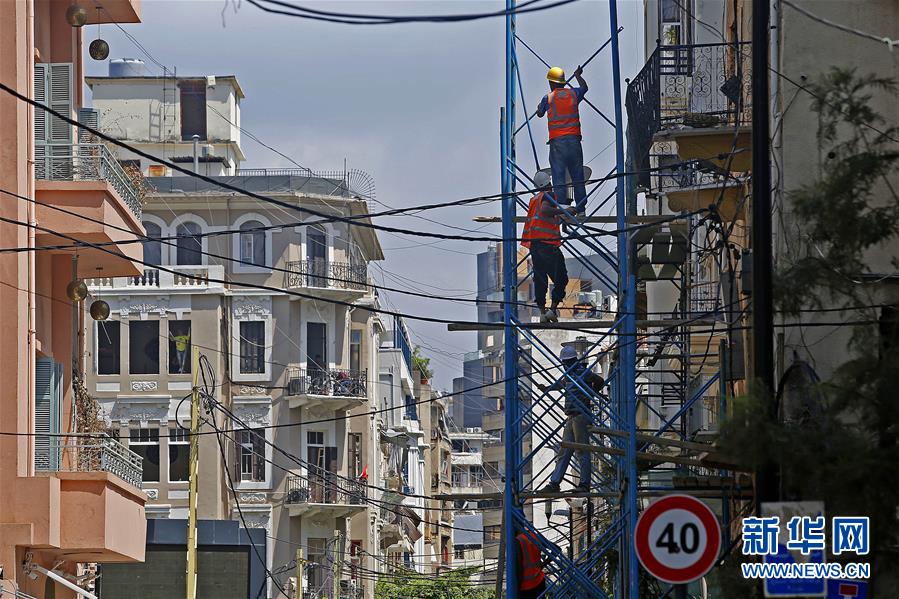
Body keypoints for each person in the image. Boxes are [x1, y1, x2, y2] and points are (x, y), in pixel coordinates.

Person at [540, 345, 605, 493]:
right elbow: (560, 385)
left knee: (582, 450)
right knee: (564, 450)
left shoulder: (583, 372)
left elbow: (600, 381)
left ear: (568, 362)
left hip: (581, 415)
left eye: (564, 362)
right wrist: (547, 388)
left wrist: (590, 394)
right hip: (571, 416)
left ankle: (584, 484)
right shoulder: (569, 375)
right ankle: (554, 483)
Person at [522, 170, 576, 323]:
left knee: (540, 278)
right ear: (549, 183)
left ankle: (542, 312)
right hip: (548, 245)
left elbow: (541, 216)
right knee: (561, 278)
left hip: (535, 245)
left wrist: (559, 211)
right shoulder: (548, 195)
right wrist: (564, 210)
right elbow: (545, 210)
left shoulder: (534, 200)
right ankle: (552, 310)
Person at [536, 65, 589, 214]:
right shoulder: (573, 94)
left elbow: (539, 113)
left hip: (557, 144)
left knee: (558, 177)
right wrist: (578, 76)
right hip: (574, 142)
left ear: (551, 82)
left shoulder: (548, 98)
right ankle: (581, 209)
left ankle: (562, 209)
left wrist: (539, 108)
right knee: (577, 176)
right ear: (564, 82)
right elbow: (584, 88)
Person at [515, 528, 547, 598]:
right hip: (539, 580)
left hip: (526, 586)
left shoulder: (518, 540)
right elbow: (557, 548)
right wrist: (542, 565)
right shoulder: (534, 536)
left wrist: (517, 589)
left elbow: (519, 568)